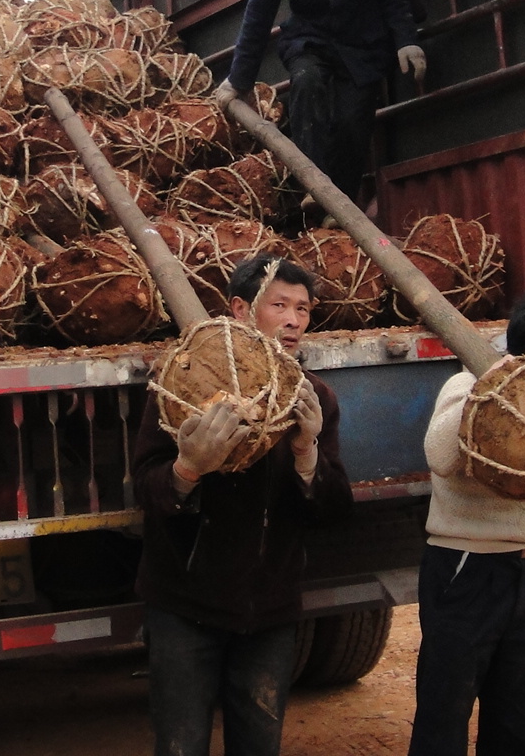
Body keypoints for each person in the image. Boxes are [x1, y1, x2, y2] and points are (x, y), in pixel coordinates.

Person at [132, 256, 352, 756]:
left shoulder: (312, 399)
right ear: (240, 308)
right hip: (186, 607)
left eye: (303, 308)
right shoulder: (183, 383)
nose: (294, 320)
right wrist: (188, 468)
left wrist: (306, 450)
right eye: (280, 305)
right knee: (180, 746)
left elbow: (333, 512)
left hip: (269, 612)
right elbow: (146, 488)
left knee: (259, 745)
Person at [406, 288, 525, 756]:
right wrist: (492, 383)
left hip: (520, 569)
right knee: (443, 718)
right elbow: (439, 455)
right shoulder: (466, 383)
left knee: (514, 719)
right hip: (464, 571)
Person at [213, 0, 424, 215]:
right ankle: (313, 183)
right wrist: (238, 80)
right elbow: (259, 13)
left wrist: (407, 40)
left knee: (353, 125)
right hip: (310, 42)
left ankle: (338, 207)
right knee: (306, 83)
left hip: (363, 46)